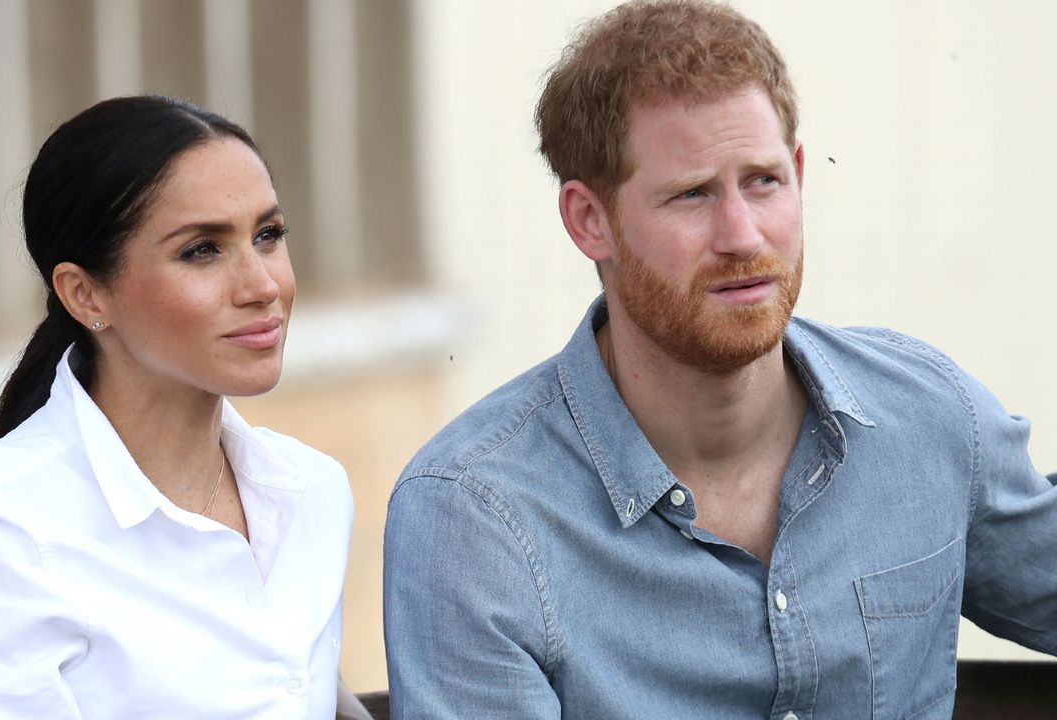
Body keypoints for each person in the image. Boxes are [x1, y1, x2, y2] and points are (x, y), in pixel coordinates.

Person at [382, 2, 1057, 718]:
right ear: (589, 220)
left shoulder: (930, 419)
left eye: (763, 181)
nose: (742, 234)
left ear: (799, 173)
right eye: (692, 194)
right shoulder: (474, 518)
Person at [0, 96, 371, 719]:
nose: (263, 286)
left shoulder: (312, 491)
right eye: (201, 250)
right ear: (84, 293)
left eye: (267, 236)